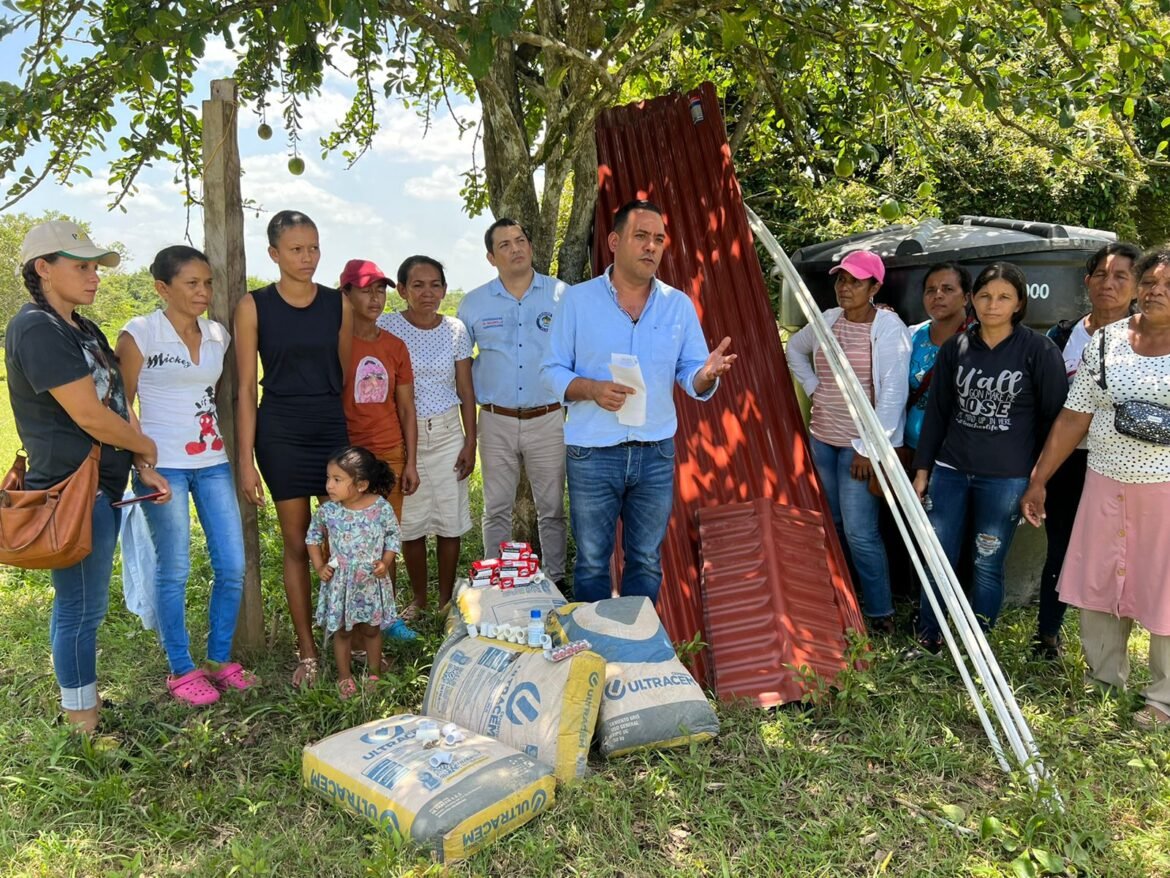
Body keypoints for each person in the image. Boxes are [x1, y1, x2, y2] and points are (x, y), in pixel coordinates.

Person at [5, 220, 168, 732]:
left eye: (96, 266)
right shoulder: (35, 328)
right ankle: (82, 723)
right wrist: (145, 445)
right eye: (81, 266)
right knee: (79, 608)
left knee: (87, 605)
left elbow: (117, 400)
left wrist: (143, 463)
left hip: (102, 484)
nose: (95, 276)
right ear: (43, 269)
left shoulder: (83, 328)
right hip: (70, 488)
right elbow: (91, 417)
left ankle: (84, 703)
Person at [541, 199, 735, 604]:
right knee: (593, 561)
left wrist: (706, 374)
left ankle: (635, 652)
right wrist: (591, 389)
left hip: (655, 453)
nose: (651, 246)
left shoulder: (678, 305)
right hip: (593, 452)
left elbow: (691, 372)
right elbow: (551, 370)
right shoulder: (577, 301)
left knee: (645, 560)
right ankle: (593, 652)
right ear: (614, 241)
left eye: (659, 239)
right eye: (641, 236)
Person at [1021, 248, 1170, 726]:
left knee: (1164, 589)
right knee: (1101, 583)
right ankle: (1105, 682)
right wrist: (1039, 478)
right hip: (1104, 483)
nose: (1156, 291)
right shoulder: (1105, 342)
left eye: (1168, 284)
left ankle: (1162, 700)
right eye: (1150, 281)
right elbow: (1074, 415)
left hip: (1164, 490)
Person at [116, 246, 256, 706]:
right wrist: (143, 463)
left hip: (211, 462)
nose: (204, 292)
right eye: (192, 283)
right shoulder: (140, 334)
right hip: (163, 469)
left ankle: (218, 660)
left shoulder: (218, 334)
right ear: (162, 288)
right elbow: (123, 403)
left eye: (208, 283)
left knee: (232, 565)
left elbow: (212, 396)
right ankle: (181, 668)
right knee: (174, 568)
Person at [912, 262, 1067, 654]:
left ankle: (975, 644)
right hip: (950, 471)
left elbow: (1054, 419)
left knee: (986, 563)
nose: (992, 305)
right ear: (973, 300)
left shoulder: (1038, 350)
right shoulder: (957, 348)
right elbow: (938, 414)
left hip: (1005, 479)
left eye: (1003, 297)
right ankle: (928, 636)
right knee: (937, 557)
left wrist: (1038, 480)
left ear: (1019, 304)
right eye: (984, 295)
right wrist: (922, 470)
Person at [234, 210, 352, 688]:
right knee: (297, 543)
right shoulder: (253, 306)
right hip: (279, 429)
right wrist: (245, 460)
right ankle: (307, 651)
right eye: (297, 249)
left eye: (314, 247)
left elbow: (341, 374)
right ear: (274, 254)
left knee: (341, 541)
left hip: (329, 426)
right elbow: (245, 388)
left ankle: (347, 638)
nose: (308, 258)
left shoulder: (337, 303)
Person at [787, 249, 910, 632]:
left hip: (858, 448)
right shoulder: (828, 320)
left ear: (874, 286)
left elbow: (893, 395)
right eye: (841, 279)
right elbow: (795, 348)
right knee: (834, 525)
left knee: (860, 531)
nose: (845, 287)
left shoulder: (888, 328)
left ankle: (879, 612)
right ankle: (847, 601)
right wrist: (813, 386)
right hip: (823, 439)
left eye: (855, 281)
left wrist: (869, 449)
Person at [1032, 242, 1141, 659]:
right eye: (1101, 275)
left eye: (1121, 277)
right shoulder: (1059, 337)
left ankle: (1113, 653)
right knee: (1060, 548)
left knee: (1120, 555)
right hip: (1069, 459)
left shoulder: (1147, 341)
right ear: (1087, 281)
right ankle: (1046, 637)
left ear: (1135, 287)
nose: (1109, 285)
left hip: (1124, 465)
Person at [458, 219, 568, 587]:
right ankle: (498, 582)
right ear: (491, 257)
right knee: (496, 509)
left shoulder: (562, 296)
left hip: (548, 417)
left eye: (520, 240)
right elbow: (460, 365)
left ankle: (554, 579)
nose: (515, 248)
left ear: (531, 247)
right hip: (495, 419)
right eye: (504, 244)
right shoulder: (474, 303)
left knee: (552, 508)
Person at [377, 256, 475, 613]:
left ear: (445, 290)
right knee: (412, 523)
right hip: (406, 435)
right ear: (401, 290)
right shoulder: (387, 326)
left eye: (435, 284)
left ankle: (445, 601)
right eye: (417, 285)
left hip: (449, 431)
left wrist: (470, 441)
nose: (427, 293)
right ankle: (419, 599)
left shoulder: (455, 330)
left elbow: (466, 389)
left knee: (450, 521)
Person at [338, 258, 420, 641]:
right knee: (345, 544)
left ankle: (387, 618)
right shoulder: (335, 343)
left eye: (380, 289)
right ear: (347, 293)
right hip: (347, 457)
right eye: (366, 289)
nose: (375, 298)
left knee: (387, 541)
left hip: (389, 453)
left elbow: (406, 407)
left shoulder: (395, 346)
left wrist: (411, 461)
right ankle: (348, 623)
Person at [305, 447, 401, 699]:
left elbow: (393, 536)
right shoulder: (329, 511)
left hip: (371, 581)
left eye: (337, 480)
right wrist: (319, 565)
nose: (329, 485)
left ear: (361, 485)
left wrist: (386, 561)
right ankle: (344, 675)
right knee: (343, 630)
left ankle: (374, 674)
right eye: (328, 478)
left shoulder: (380, 507)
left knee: (371, 629)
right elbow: (312, 538)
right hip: (341, 582)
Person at [905, 263, 973, 452]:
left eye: (948, 289)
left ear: (966, 298)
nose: (938, 295)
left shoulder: (980, 341)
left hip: (957, 456)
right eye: (930, 290)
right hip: (911, 449)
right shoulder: (911, 336)